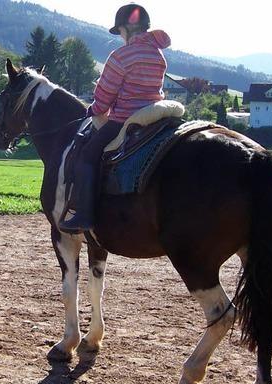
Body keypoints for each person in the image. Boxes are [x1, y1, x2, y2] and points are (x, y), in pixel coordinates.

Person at [59, 3, 171, 234]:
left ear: (126, 28)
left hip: (126, 117)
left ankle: (84, 216)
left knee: (88, 155)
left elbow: (104, 99)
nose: (120, 36)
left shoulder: (121, 56)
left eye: (120, 31)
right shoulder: (157, 53)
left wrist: (93, 109)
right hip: (155, 116)